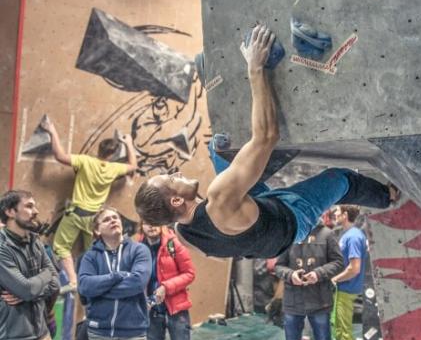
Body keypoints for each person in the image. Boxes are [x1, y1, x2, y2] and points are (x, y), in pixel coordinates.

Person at [134, 24, 399, 259]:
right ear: (177, 202)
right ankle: (388, 196)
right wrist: (255, 68)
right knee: (341, 179)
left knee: (219, 149)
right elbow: (267, 137)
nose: (175, 173)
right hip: (290, 218)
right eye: (170, 179)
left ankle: (223, 105)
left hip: (255, 211)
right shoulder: (219, 198)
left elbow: (218, 225)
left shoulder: (182, 232)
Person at [78, 207, 161, 340]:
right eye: (106, 219)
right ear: (97, 230)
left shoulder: (138, 251)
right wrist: (116, 276)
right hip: (100, 334)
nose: (113, 220)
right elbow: (85, 286)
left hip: (132, 334)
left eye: (115, 217)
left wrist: (102, 288)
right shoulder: (90, 257)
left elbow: (136, 283)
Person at [41, 117, 137, 290]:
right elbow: (132, 165)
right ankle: (95, 282)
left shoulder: (86, 161)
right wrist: (129, 143)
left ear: (98, 149)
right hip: (95, 219)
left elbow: (60, 156)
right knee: (93, 252)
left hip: (77, 213)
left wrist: (51, 130)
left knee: (61, 246)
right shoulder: (113, 168)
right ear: (113, 155)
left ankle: (73, 281)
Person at [0, 190, 60, 340]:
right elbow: (26, 288)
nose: (36, 211)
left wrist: (30, 292)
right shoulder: (2, 248)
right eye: (29, 206)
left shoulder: (34, 241)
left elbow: (54, 280)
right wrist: (31, 289)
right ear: (10, 211)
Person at [275, 217, 344, 340]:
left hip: (319, 300)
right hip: (293, 301)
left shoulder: (327, 234)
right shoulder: (289, 234)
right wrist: (291, 275)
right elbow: (278, 266)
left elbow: (338, 262)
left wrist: (318, 273)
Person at [331, 205, 368, 340]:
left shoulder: (352, 237)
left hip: (345, 289)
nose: (334, 214)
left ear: (345, 215)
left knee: (341, 331)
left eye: (337, 212)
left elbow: (354, 268)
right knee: (345, 328)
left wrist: (335, 279)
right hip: (347, 288)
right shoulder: (351, 234)